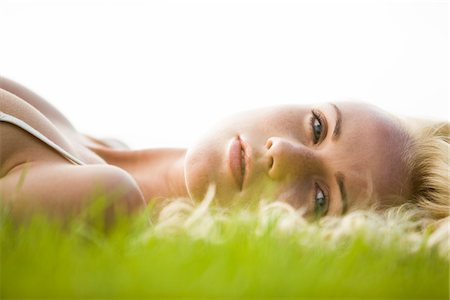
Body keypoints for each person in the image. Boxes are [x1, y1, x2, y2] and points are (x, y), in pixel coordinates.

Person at [0, 76, 448, 221]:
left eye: (319, 198)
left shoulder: (107, 198)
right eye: (317, 126)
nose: (283, 153)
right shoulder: (101, 144)